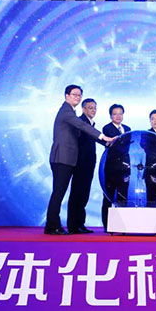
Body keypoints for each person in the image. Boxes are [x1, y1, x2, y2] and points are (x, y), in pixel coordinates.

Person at [45, 85, 115, 235]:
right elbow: (82, 125)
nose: (77, 97)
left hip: (67, 159)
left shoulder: (70, 111)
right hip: (62, 158)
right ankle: (52, 226)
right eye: (74, 94)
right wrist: (103, 137)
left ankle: (53, 225)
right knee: (58, 192)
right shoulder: (66, 111)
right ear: (66, 96)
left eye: (79, 95)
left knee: (60, 192)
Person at [67, 98, 102, 234]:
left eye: (94, 108)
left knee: (83, 194)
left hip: (88, 164)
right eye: (90, 108)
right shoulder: (80, 122)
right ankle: (73, 225)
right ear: (83, 109)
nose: (93, 110)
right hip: (80, 163)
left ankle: (80, 224)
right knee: (77, 193)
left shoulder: (90, 123)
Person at [101, 104, 131, 230]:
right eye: (115, 114)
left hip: (125, 168)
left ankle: (121, 225)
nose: (118, 116)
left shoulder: (128, 128)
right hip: (111, 168)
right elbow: (118, 143)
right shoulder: (107, 128)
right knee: (108, 196)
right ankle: (107, 225)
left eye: (120, 113)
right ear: (110, 116)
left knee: (123, 196)